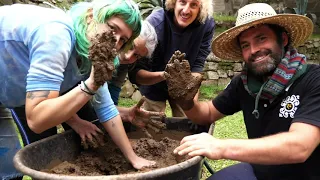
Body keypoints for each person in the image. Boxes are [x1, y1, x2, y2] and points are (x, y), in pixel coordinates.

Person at [0, 0, 157, 179]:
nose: (115, 42)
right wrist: (89, 86)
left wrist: (134, 158)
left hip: (8, 95)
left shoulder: (88, 51)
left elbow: (106, 109)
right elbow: (37, 120)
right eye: (113, 29)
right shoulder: (56, 35)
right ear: (91, 17)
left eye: (123, 40)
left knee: (8, 174)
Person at [172, 3, 320, 180]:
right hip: (260, 173)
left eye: (261, 38)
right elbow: (207, 113)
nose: (254, 50)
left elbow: (300, 147)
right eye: (245, 45)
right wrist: (185, 99)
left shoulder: (313, 79)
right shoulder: (244, 83)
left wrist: (221, 147)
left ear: (284, 39)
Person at [128, 0, 215, 117]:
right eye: (182, 2)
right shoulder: (154, 24)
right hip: (153, 83)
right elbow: (136, 74)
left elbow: (197, 66)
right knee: (151, 124)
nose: (186, 10)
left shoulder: (206, 25)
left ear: (201, 8)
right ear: (174, 3)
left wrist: (191, 105)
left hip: (184, 83)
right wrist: (166, 75)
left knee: (186, 123)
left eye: (193, 5)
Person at [108, 20, 158, 105]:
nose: (128, 56)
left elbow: (111, 99)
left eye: (136, 55)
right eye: (130, 46)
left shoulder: (123, 65)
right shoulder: (102, 49)